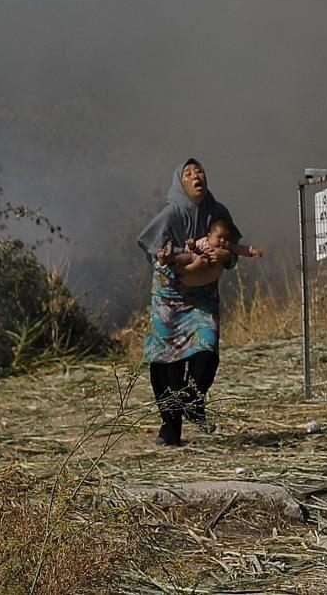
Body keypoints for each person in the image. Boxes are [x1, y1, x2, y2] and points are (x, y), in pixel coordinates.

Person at [137, 158, 243, 446]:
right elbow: (151, 248)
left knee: (207, 347)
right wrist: (172, 257)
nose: (196, 176)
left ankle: (193, 399)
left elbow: (233, 252)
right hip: (170, 297)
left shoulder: (218, 212)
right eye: (188, 173)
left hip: (202, 297)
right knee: (167, 359)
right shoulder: (171, 214)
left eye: (200, 171)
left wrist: (227, 256)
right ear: (179, 183)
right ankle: (170, 426)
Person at [158, 217, 265, 286]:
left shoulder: (228, 248)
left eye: (226, 239)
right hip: (193, 264)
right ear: (209, 236)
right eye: (219, 238)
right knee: (186, 257)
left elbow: (240, 249)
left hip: (208, 276)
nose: (222, 241)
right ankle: (168, 258)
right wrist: (191, 245)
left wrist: (252, 251)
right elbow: (190, 250)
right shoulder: (204, 242)